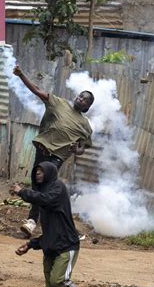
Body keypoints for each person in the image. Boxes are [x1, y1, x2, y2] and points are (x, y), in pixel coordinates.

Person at [13, 65, 94, 237]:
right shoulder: (59, 103)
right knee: (37, 185)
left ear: (87, 107)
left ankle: (33, 222)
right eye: (81, 96)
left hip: (56, 159)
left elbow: (81, 149)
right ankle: (53, 224)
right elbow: (36, 90)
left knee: (43, 187)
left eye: (85, 100)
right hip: (42, 151)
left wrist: (75, 149)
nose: (81, 99)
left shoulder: (85, 125)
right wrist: (21, 75)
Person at [10, 162, 92, 287]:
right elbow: (51, 231)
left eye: (41, 171)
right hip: (51, 247)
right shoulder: (45, 196)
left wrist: (22, 192)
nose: (38, 173)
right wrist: (30, 244)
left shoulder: (57, 188)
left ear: (49, 173)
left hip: (66, 245)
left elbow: (44, 199)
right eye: (36, 171)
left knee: (59, 281)